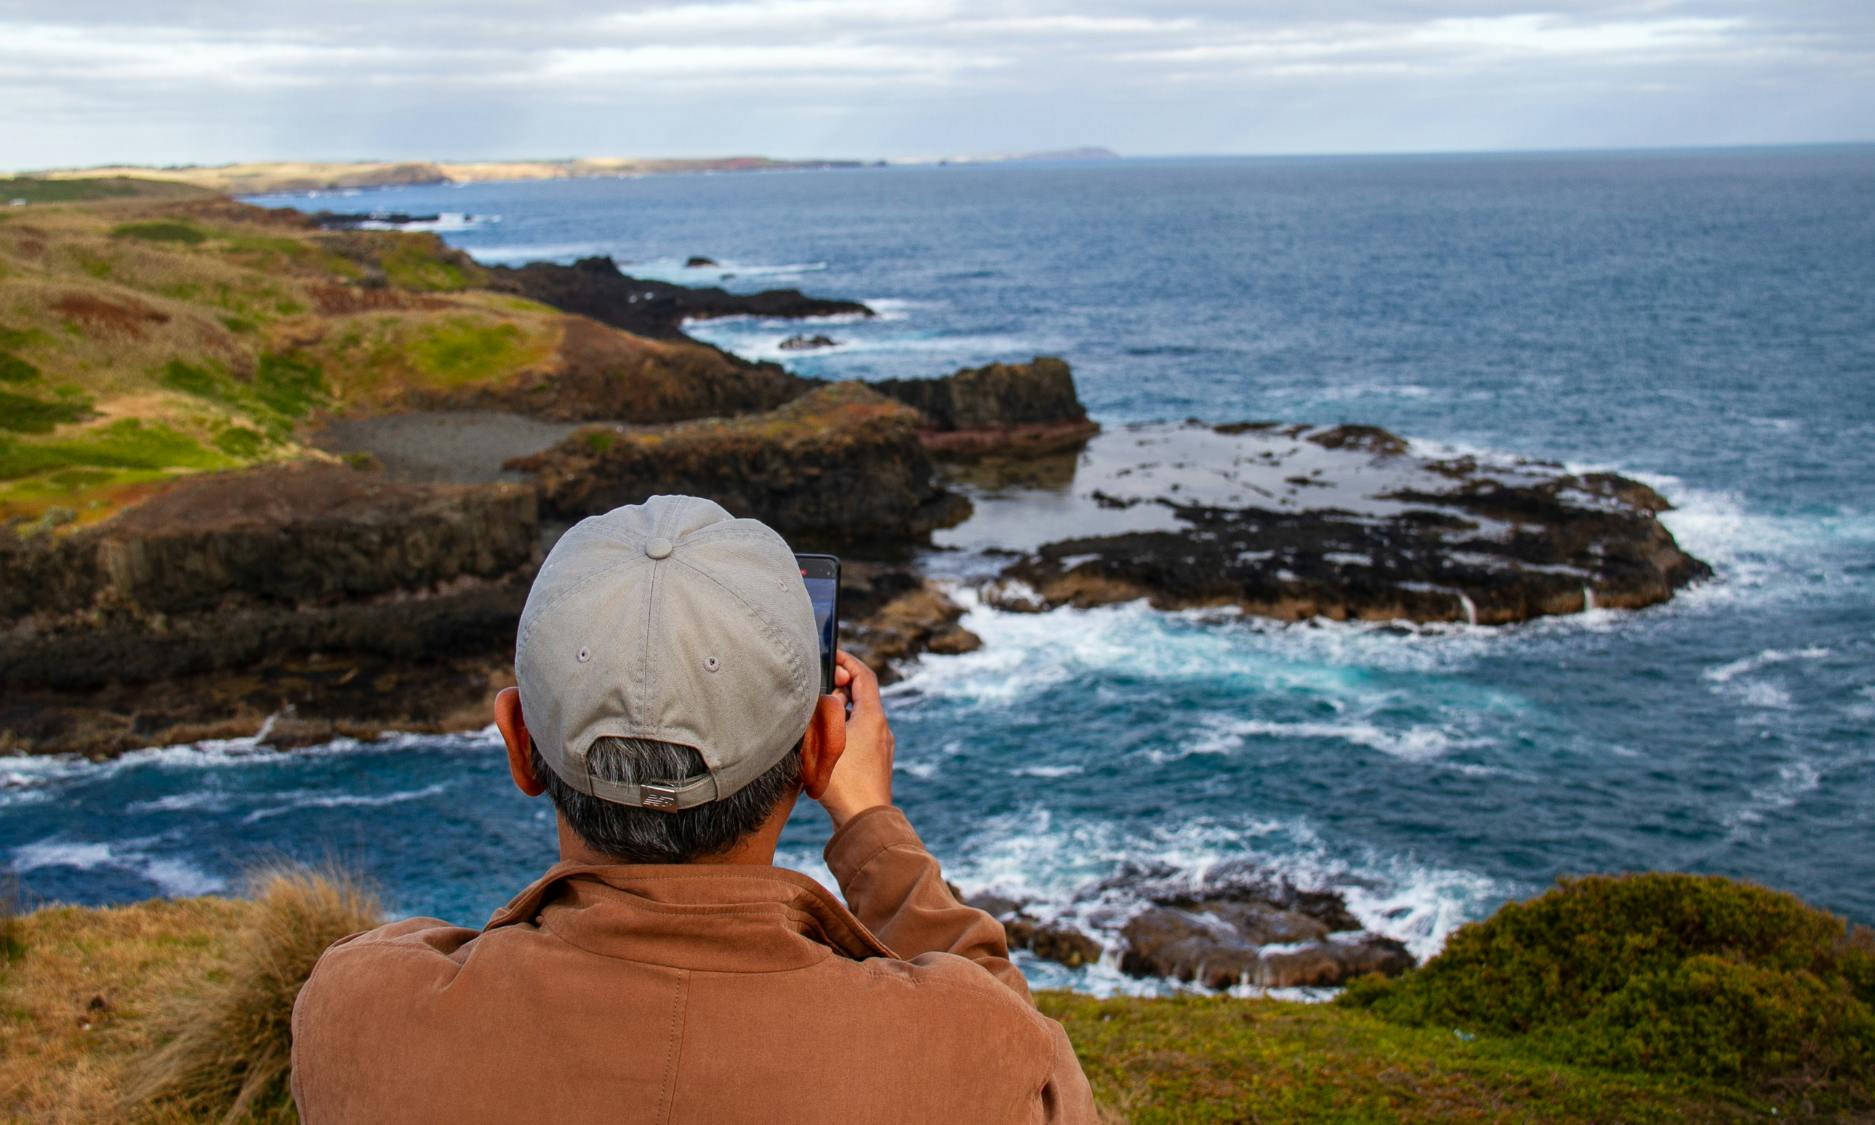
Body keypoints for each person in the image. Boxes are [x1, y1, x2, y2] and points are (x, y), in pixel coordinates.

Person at [291, 495, 1097, 1124]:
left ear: (518, 745)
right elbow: (1020, 1050)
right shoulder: (966, 1057)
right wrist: (869, 826)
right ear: (820, 749)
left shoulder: (357, 1010)